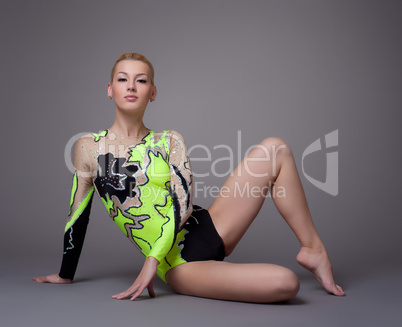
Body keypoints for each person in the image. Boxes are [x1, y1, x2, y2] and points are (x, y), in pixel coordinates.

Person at [33, 53, 345, 303]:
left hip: (209, 226)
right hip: (181, 265)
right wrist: (65, 274)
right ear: (110, 89)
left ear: (152, 93)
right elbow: (77, 212)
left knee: (276, 149)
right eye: (122, 79)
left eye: (141, 80)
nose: (131, 86)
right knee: (286, 283)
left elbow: (183, 205)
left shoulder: (170, 140)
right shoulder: (88, 147)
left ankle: (313, 248)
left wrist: (149, 262)